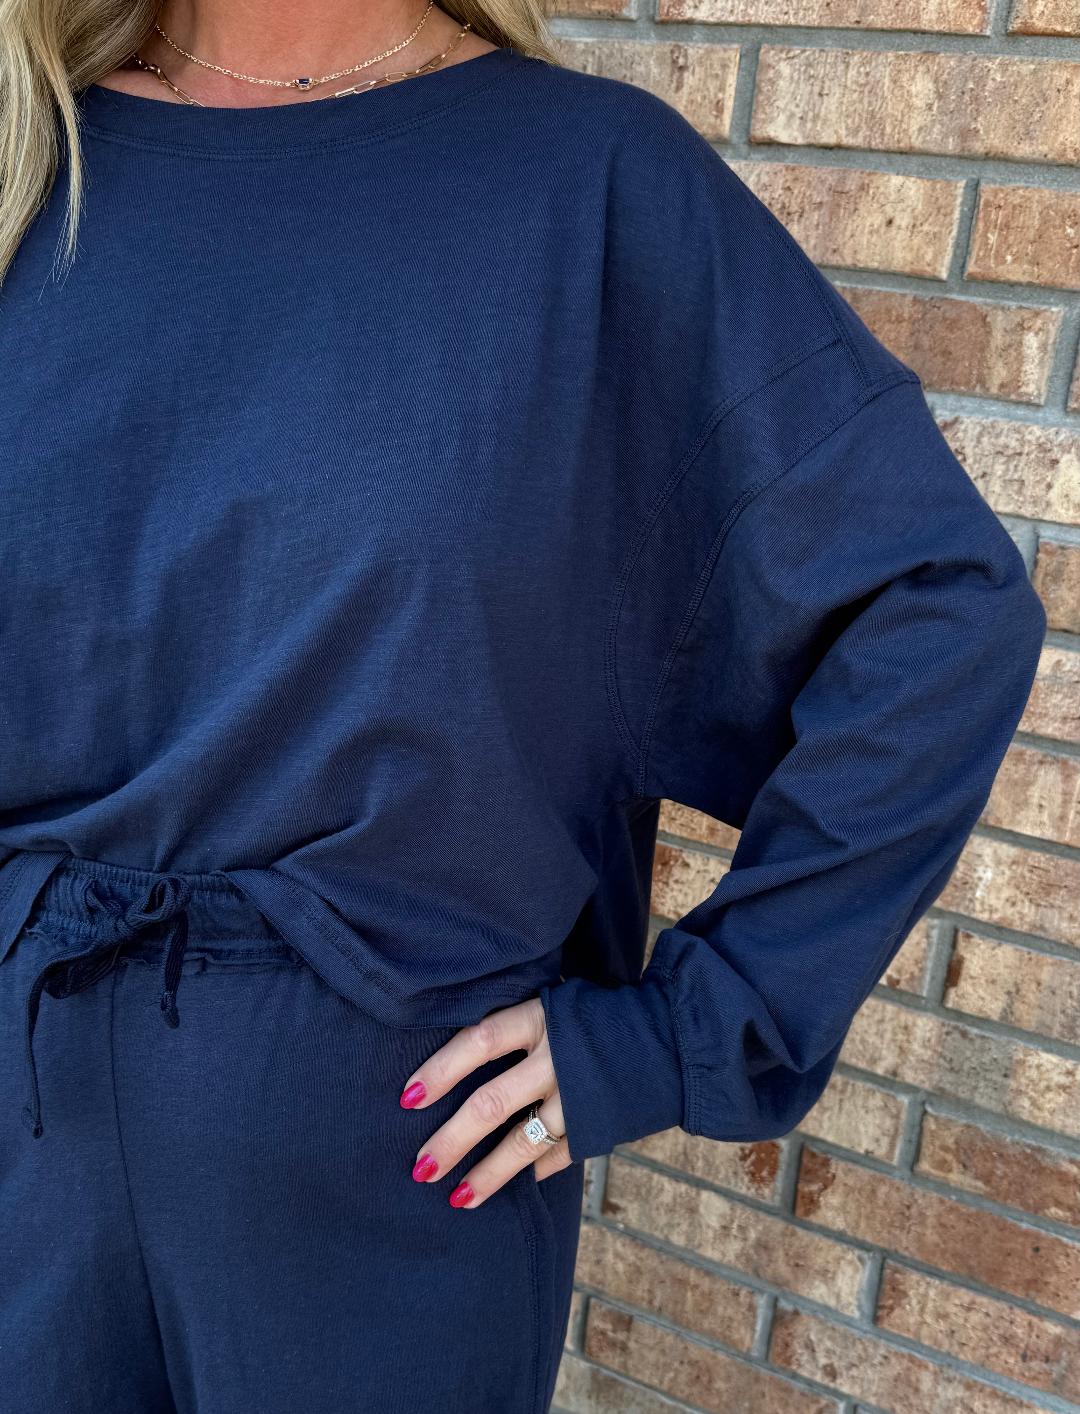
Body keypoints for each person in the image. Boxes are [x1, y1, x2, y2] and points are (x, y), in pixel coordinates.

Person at [0, 0, 1047, 1410]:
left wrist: (691, 1027)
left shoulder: (591, 188)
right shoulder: (28, 163)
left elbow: (936, 611)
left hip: (385, 1188)